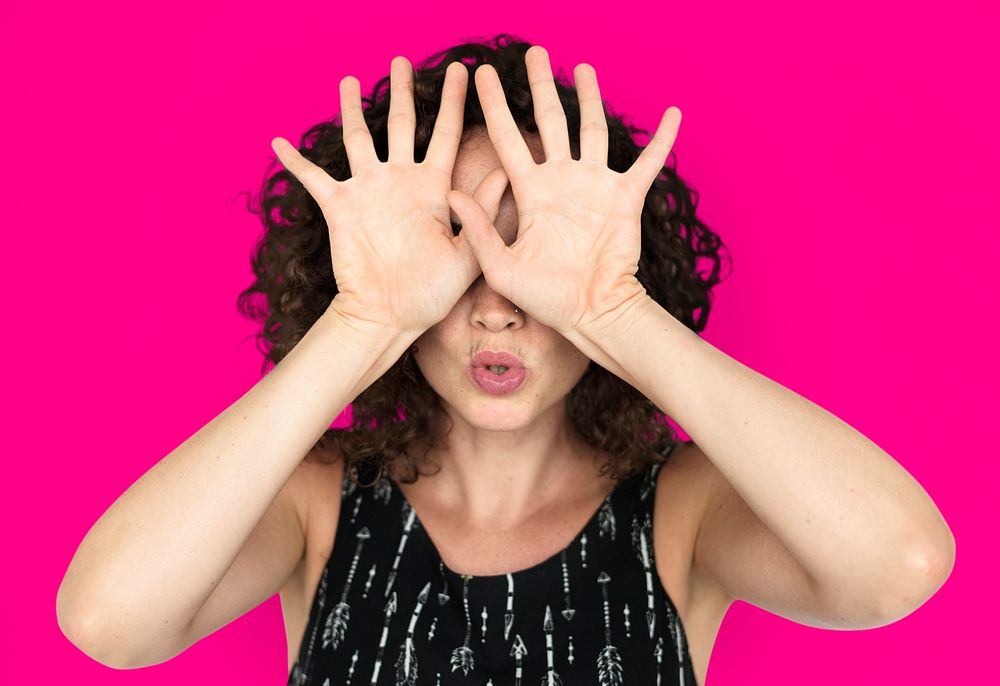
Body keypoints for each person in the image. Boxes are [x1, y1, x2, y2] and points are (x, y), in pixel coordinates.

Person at [56, 34, 955, 686]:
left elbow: (899, 566)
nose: (496, 305)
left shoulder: (686, 512)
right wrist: (365, 317)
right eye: (455, 248)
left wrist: (611, 307)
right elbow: (109, 624)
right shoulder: (315, 501)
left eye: (530, 252)